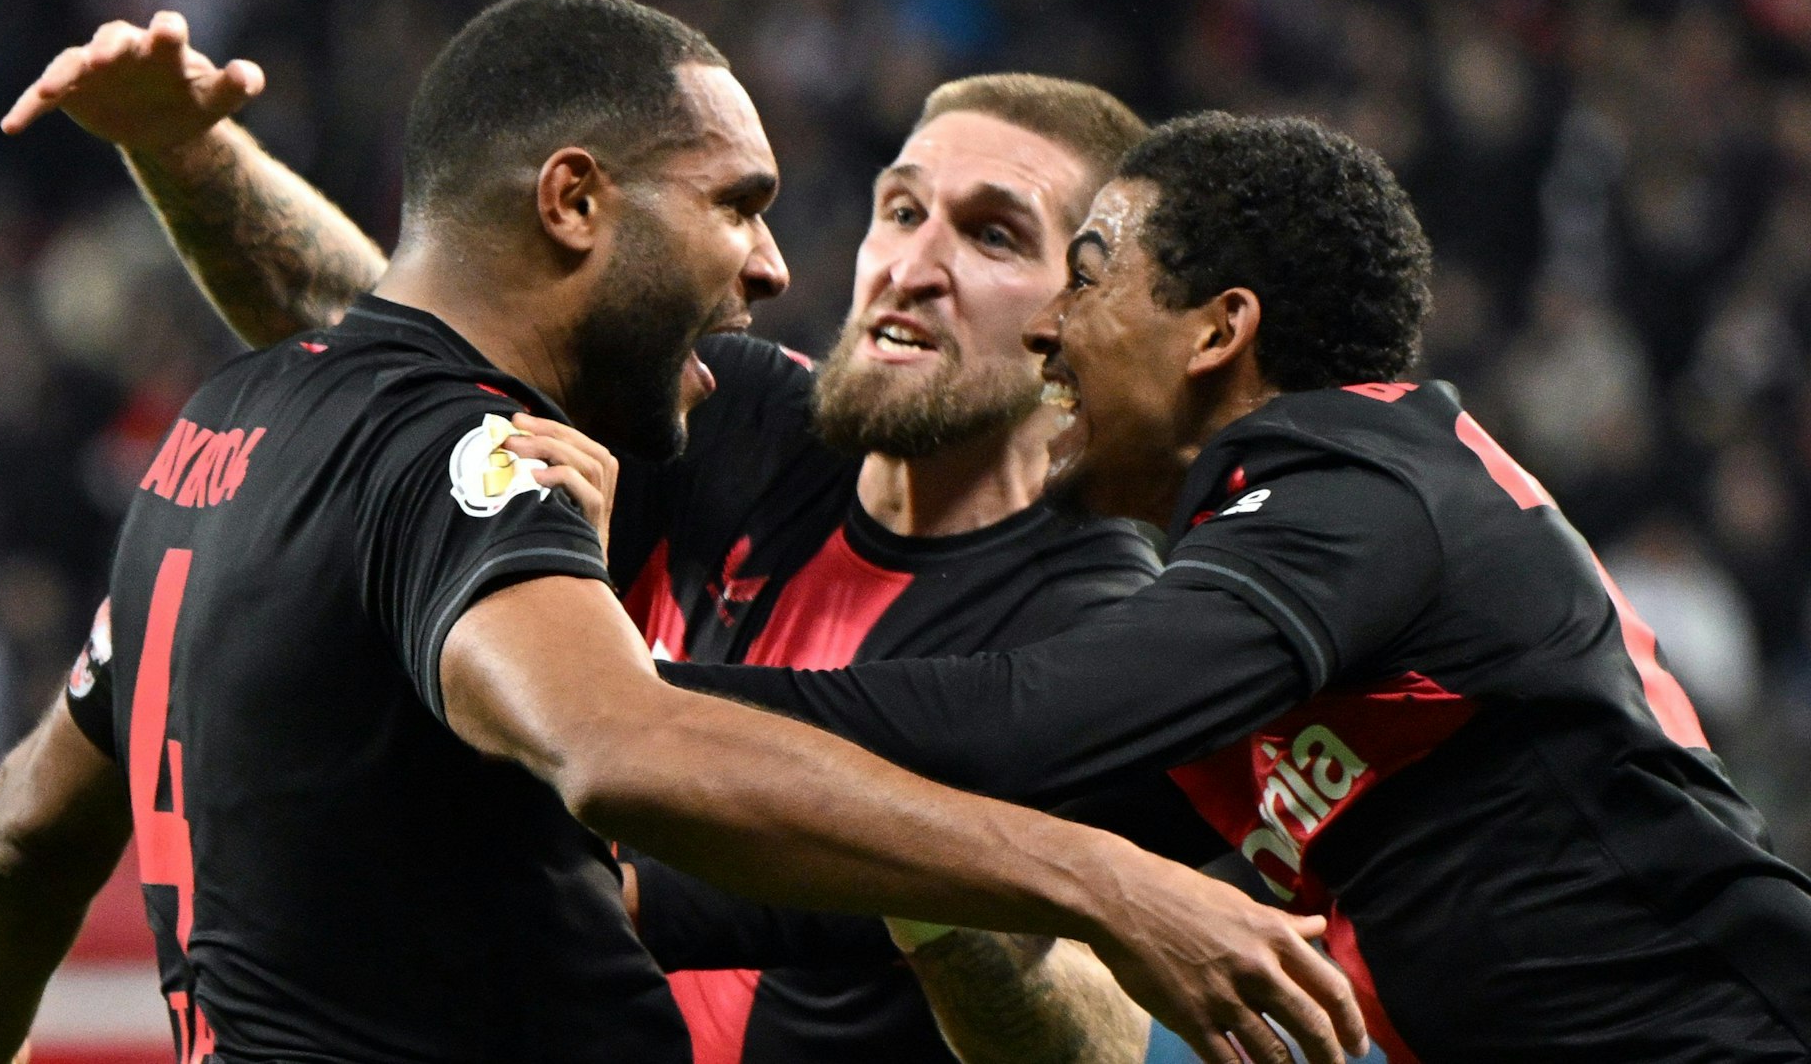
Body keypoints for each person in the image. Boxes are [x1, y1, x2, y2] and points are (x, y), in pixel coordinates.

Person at [0, 0, 1367, 1064]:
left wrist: (925, 873)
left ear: (1081, 317)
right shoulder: (718, 413)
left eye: (990, 236)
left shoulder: (1101, 630)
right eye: (900, 208)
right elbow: (430, 344)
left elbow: (1090, 1057)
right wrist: (189, 156)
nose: (903, 264)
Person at [661, 114, 1811, 1061]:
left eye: (1090, 279)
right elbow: (967, 853)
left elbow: (1027, 721)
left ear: (1218, 330)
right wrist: (610, 872)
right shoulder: (1270, 593)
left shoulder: (1374, 479)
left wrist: (646, 705)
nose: (1051, 332)